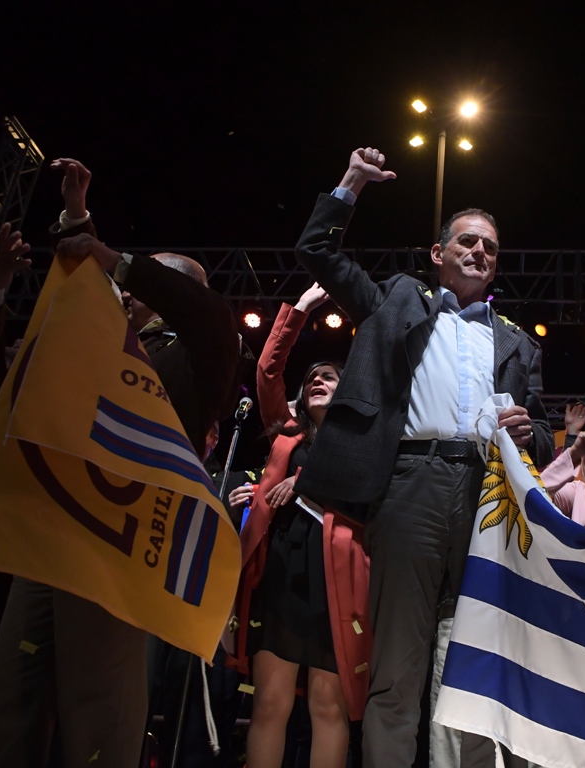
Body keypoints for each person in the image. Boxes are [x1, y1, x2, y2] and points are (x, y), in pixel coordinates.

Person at [0, 158, 241, 768]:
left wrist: (115, 257)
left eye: (145, 282)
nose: (126, 289)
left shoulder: (198, 356)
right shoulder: (88, 343)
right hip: (48, 529)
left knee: (99, 706)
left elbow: (207, 314)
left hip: (122, 535)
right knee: (9, 694)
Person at [292, 147, 554, 767]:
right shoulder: (396, 301)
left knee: (477, 661)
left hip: (488, 499)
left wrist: (529, 432)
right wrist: (351, 182)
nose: (479, 252)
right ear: (438, 254)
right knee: (400, 662)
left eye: (490, 248)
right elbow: (317, 253)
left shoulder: (517, 341)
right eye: (467, 241)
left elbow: (542, 434)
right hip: (411, 484)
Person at [231, 281, 364, 768]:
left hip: (336, 581)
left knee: (329, 707)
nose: (317, 382)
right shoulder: (286, 432)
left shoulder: (362, 443)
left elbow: (367, 496)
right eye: (312, 379)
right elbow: (268, 372)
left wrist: (305, 482)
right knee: (270, 703)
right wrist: (302, 308)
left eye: (329, 377)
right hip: (282, 573)